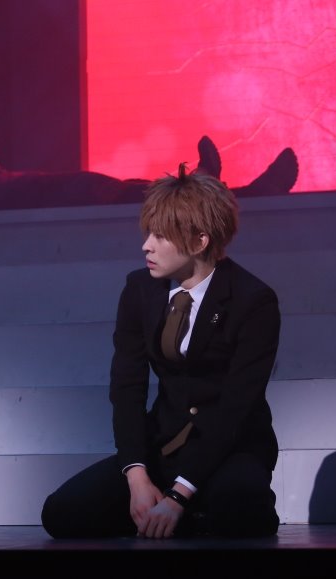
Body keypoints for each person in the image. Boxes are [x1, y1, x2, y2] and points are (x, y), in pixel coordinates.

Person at [41, 164, 280, 539]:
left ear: (199, 242)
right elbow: (127, 387)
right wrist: (136, 475)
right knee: (62, 513)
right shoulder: (140, 290)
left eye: (160, 236)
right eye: (148, 233)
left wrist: (179, 495)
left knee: (237, 507)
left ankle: (193, 511)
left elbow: (236, 407)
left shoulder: (253, 300)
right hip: (164, 444)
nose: (146, 246)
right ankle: (176, 515)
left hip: (229, 446)